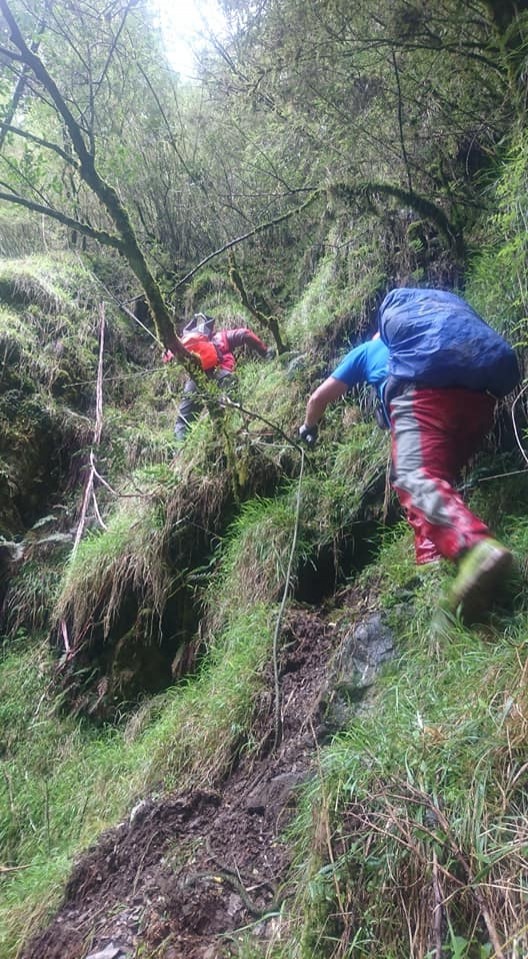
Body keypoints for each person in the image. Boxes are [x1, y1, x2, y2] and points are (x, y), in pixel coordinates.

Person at [299, 288, 520, 621]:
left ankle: (474, 547)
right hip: (478, 404)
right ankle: (435, 563)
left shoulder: (367, 351)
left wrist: (308, 429)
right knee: (434, 480)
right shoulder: (438, 334)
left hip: (423, 401)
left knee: (414, 477)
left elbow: (318, 399)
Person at [164, 313, 275, 443]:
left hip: (196, 380)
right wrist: (265, 352)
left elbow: (167, 357)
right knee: (233, 405)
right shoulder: (220, 337)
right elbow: (244, 334)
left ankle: (179, 451)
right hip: (222, 375)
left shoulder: (184, 343)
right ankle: (238, 432)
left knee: (183, 422)